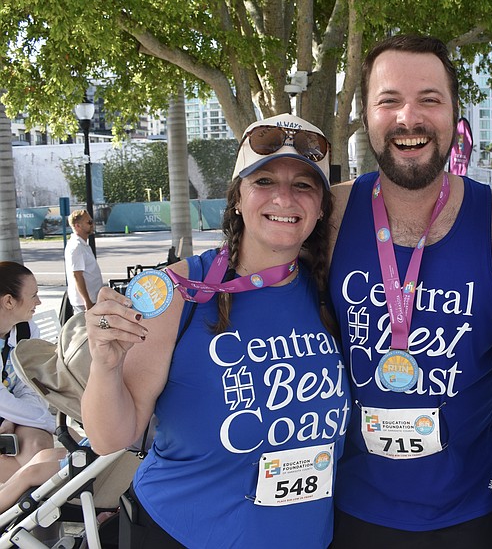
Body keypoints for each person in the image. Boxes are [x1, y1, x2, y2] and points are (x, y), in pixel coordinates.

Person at [81, 114, 350, 548]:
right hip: (184, 533)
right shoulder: (179, 290)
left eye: (303, 185)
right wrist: (106, 365)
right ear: (238, 198)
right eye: (263, 181)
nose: (284, 197)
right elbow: (112, 436)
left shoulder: (327, 291)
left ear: (320, 209)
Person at [327, 35, 492, 549]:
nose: (409, 118)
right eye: (389, 100)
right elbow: (243, 266)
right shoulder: (327, 217)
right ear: (366, 114)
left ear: (454, 115)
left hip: (471, 511)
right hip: (348, 509)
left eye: (429, 99)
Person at [0, 262, 57, 483]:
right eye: (33, 295)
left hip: (8, 416)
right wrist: (52, 424)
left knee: (38, 445)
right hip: (7, 412)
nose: (39, 302)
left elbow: (29, 384)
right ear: (8, 301)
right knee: (48, 456)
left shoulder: (26, 328)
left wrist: (13, 419)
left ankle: (30, 508)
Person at [64, 210, 104, 313]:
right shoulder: (76, 247)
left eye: (92, 221)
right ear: (78, 226)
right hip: (84, 303)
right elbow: (77, 275)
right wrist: (87, 300)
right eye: (89, 222)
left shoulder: (83, 245)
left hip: (93, 298)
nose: (92, 224)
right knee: (87, 328)